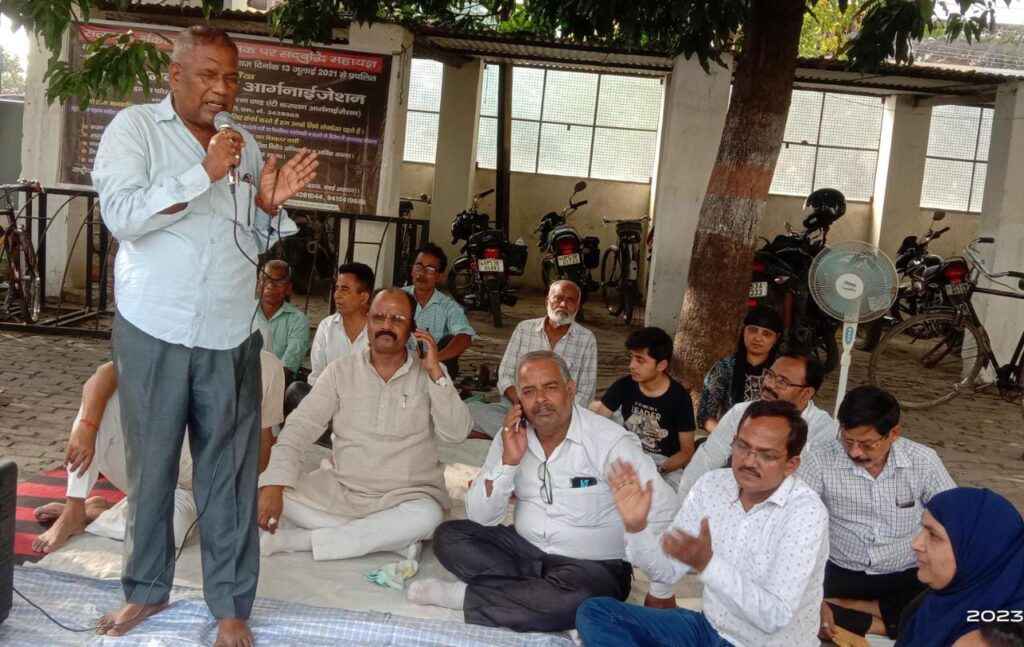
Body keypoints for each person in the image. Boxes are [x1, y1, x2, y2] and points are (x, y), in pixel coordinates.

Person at [91, 25, 318, 645]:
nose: (223, 88)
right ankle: (146, 592)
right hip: (153, 327)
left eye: (232, 78)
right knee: (153, 470)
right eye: (209, 75)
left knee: (230, 478)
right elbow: (124, 217)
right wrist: (203, 171)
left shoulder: (244, 145)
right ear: (175, 75)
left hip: (229, 334)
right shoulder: (135, 130)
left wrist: (268, 209)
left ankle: (231, 604)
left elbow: (248, 243)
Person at [407, 351, 678, 632]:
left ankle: (465, 596)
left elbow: (664, 509)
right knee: (449, 536)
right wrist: (508, 463)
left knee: (579, 598)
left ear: (570, 390)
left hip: (591, 565)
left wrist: (661, 589)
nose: (540, 399)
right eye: (529, 392)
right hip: (524, 548)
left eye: (550, 387)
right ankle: (534, 594)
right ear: (519, 400)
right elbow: (480, 517)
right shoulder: (511, 435)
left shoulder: (609, 442)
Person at [576, 399, 830, 647]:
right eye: (742, 446)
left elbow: (774, 617)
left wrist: (708, 564)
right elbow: (665, 570)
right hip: (709, 630)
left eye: (767, 455)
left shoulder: (805, 513)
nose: (749, 461)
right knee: (596, 612)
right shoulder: (712, 485)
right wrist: (636, 527)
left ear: (791, 464)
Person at [256, 288, 472, 562]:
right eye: (379, 317)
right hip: (342, 489)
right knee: (270, 491)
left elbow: (457, 433)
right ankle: (388, 540)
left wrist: (435, 370)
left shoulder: (430, 374)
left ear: (412, 330)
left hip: (407, 496)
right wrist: (274, 484)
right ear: (368, 321)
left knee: (428, 517)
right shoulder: (340, 370)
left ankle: (305, 540)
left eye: (397, 319)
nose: (386, 325)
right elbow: (300, 427)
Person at [32, 352, 286, 554]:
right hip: (147, 466)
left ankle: (99, 514)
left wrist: (246, 495)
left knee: (173, 532)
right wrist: (86, 426)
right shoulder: (178, 344)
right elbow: (104, 374)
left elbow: (265, 443)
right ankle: (74, 507)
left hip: (197, 488)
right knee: (102, 402)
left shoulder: (267, 367)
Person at [800, 386, 956, 641]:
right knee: (797, 604)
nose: (854, 452)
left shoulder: (923, 461)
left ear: (893, 434)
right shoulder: (818, 461)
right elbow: (797, 519)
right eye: (847, 440)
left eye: (867, 444)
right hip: (841, 571)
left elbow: (953, 516)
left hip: (906, 572)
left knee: (949, 601)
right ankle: (886, 620)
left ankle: (850, 611)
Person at [677, 352, 837, 502]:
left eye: (782, 382)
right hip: (730, 500)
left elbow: (802, 488)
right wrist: (684, 506)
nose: (768, 384)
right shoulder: (740, 412)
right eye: (769, 375)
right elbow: (706, 460)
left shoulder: (823, 431)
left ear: (806, 393)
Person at [466, 280, 597, 438]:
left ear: (577, 307)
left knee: (601, 425)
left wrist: (556, 415)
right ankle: (533, 437)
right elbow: (505, 374)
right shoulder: (524, 328)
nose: (563, 304)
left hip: (559, 415)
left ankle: (513, 435)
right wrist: (523, 404)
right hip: (518, 407)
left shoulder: (586, 339)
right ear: (547, 301)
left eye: (571, 301)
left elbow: (586, 391)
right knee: (470, 410)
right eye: (558, 298)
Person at [896, 487, 1024, 647]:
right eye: (922, 529)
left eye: (933, 535)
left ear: (977, 551)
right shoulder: (937, 601)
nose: (916, 544)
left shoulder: (992, 639)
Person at [596, 327, 696, 489]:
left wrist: (657, 471)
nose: (632, 365)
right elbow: (597, 423)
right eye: (631, 357)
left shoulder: (679, 397)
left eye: (640, 360)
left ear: (661, 365)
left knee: (666, 497)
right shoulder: (624, 385)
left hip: (664, 465)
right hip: (625, 455)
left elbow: (686, 452)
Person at [283, 262, 373, 416]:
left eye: (344, 290)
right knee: (295, 391)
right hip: (330, 403)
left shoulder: (378, 331)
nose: (337, 295)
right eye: (337, 288)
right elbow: (318, 375)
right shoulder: (327, 326)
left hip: (366, 407)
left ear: (363, 297)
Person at [697, 305, 783, 432]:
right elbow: (705, 416)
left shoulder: (782, 373)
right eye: (752, 330)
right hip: (730, 437)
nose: (757, 338)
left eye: (766, 334)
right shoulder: (723, 368)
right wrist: (728, 437)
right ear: (744, 331)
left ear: (776, 338)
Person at [401, 243, 475, 378]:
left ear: (439, 276)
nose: (422, 273)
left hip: (432, 370)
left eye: (430, 269)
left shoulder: (448, 307)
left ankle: (440, 385)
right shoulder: (397, 298)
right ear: (412, 270)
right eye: (418, 266)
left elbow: (465, 337)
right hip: (398, 364)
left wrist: (434, 359)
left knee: (449, 340)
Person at [259, 259, 311, 382]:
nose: (270, 286)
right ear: (258, 284)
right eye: (266, 280)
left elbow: (288, 364)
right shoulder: (245, 314)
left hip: (277, 383)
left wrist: (267, 385)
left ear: (288, 288)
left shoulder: (298, 321)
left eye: (279, 281)